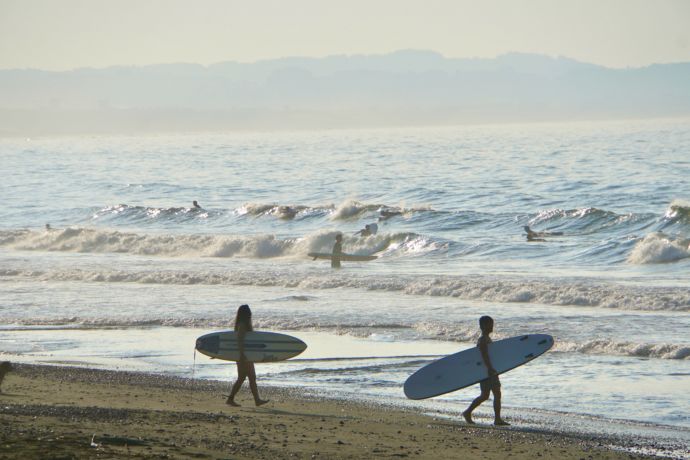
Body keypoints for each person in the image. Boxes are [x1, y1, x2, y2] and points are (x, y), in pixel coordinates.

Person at [462, 316, 510, 426]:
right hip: (488, 371)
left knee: (485, 395)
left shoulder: (486, 339)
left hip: (486, 370)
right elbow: (484, 355)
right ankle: (497, 419)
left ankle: (468, 412)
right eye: (490, 324)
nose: (492, 326)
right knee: (496, 393)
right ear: (483, 326)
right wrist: (489, 368)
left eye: (492, 324)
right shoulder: (483, 340)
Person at [226, 305, 269, 407]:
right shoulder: (242, 325)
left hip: (245, 355)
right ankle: (255, 400)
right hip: (243, 356)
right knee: (249, 377)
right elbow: (240, 341)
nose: (250, 314)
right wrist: (242, 355)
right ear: (246, 314)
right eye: (249, 312)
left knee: (244, 378)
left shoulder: (243, 324)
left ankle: (232, 399)